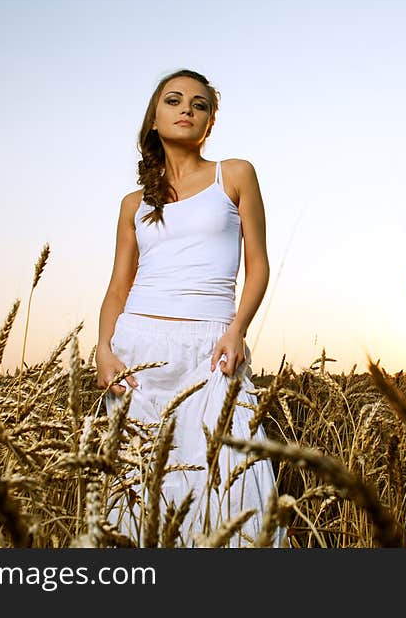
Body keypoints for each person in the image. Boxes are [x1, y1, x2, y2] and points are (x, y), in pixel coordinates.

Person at [94, 69, 283, 547]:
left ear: (209, 122)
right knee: (135, 497)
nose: (186, 109)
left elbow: (258, 266)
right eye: (174, 100)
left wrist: (238, 328)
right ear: (154, 119)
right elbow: (119, 286)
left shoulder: (235, 174)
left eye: (198, 105)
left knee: (233, 491)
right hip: (137, 353)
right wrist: (102, 349)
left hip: (211, 347)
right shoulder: (132, 204)